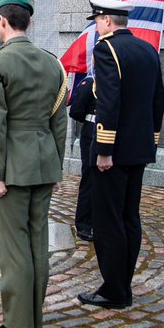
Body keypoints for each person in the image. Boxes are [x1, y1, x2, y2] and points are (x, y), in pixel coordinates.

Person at [0, 0, 68, 328]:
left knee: (15, 248)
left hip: (12, 168)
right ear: (27, 22)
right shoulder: (51, 63)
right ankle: (34, 320)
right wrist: (56, 166)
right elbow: (59, 122)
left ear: (2, 22)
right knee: (36, 244)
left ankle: (19, 327)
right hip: (44, 163)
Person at [77, 0, 164, 311]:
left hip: (113, 154)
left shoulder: (106, 49)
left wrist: (103, 150)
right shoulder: (148, 50)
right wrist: (149, 143)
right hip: (138, 150)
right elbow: (158, 101)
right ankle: (122, 284)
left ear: (107, 21)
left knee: (107, 220)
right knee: (129, 218)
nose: (96, 26)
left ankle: (114, 290)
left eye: (97, 21)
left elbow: (109, 102)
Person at [68, 74, 97, 241]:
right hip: (91, 132)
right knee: (90, 179)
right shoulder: (90, 83)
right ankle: (84, 224)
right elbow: (76, 110)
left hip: (111, 133)